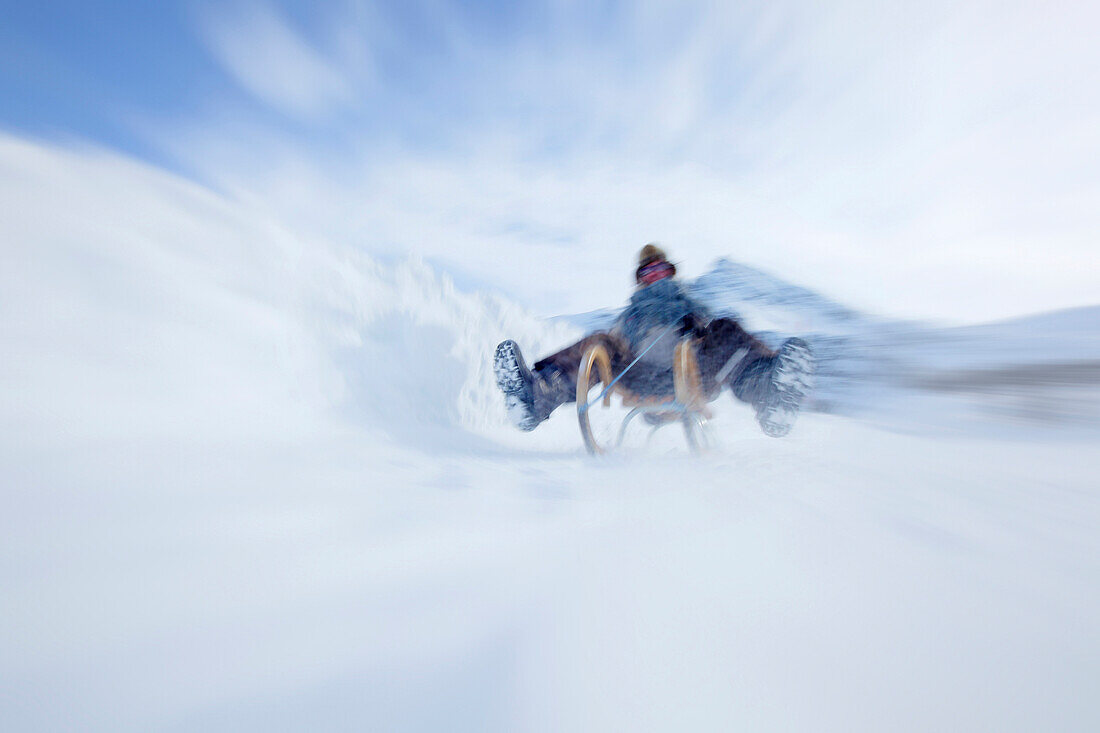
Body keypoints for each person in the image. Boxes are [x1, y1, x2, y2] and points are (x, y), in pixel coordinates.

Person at [493, 244, 815, 437]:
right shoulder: (630, 316)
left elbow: (713, 341)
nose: (655, 276)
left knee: (725, 329)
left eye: (660, 269)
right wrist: (613, 345)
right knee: (599, 343)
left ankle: (771, 395)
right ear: (640, 280)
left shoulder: (692, 307)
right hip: (642, 377)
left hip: (692, 375)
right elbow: (611, 350)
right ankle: (533, 398)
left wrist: (698, 327)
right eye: (648, 273)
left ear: (671, 272)